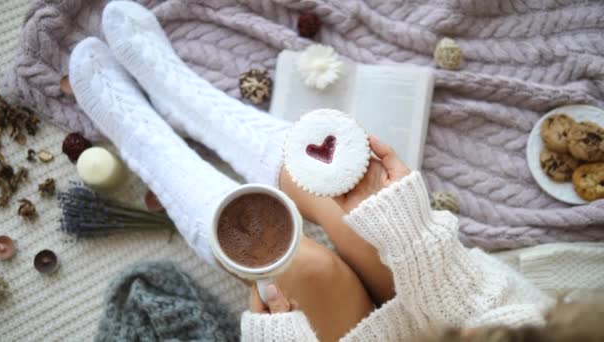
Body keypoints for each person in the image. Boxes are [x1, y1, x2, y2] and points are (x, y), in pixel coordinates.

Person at [68, 2, 565, 341]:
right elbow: (498, 307)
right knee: (351, 208)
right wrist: (416, 239)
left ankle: (150, 151)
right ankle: (192, 104)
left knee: (299, 263)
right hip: (458, 323)